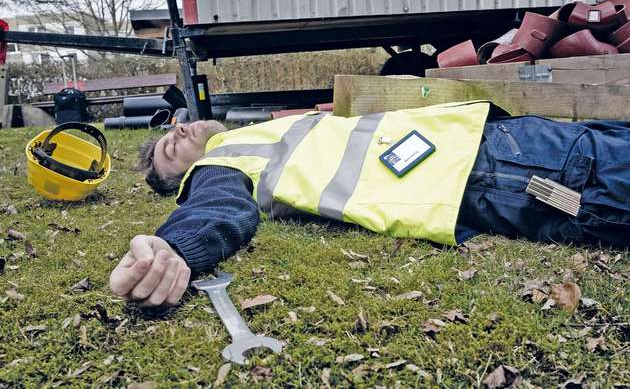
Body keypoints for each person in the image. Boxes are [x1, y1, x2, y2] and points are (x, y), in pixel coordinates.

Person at [109, 102, 630, 307]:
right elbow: (218, 209)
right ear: (182, 179)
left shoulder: (258, 130)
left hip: (498, 141)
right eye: (171, 147)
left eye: (173, 130)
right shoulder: (217, 166)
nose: (179, 130)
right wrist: (176, 247)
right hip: (499, 176)